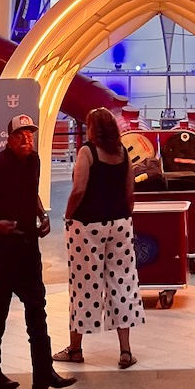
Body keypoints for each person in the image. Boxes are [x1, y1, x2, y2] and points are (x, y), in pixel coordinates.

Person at [0, 113, 74, 389]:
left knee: (37, 310)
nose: (27, 139)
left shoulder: (34, 161)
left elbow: (32, 192)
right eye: (21, 135)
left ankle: (43, 372)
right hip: (3, 250)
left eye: (31, 135)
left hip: (28, 247)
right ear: (10, 138)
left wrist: (42, 214)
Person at [53, 107, 143, 369]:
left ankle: (75, 348)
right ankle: (125, 351)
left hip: (87, 225)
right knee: (122, 283)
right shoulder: (123, 153)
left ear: (93, 128)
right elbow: (130, 192)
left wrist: (69, 215)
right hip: (120, 224)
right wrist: (125, 215)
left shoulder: (87, 153)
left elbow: (79, 189)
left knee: (84, 284)